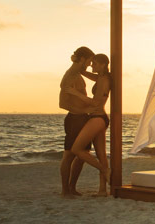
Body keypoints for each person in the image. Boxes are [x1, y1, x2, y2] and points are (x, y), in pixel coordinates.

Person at [71, 54, 112, 196]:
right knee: (101, 155)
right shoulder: (101, 77)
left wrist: (75, 94)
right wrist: (76, 61)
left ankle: (105, 170)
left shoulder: (104, 80)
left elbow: (97, 102)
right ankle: (102, 190)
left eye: (94, 63)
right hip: (100, 118)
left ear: (102, 64)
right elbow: (83, 72)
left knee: (76, 149)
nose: (91, 66)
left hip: (98, 118)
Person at [58, 46, 95, 197]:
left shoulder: (78, 74)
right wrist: (83, 110)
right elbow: (63, 104)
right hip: (74, 119)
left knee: (83, 155)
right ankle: (65, 190)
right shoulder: (69, 76)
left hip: (83, 118)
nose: (90, 65)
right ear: (82, 59)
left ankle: (72, 187)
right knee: (69, 155)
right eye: (89, 61)